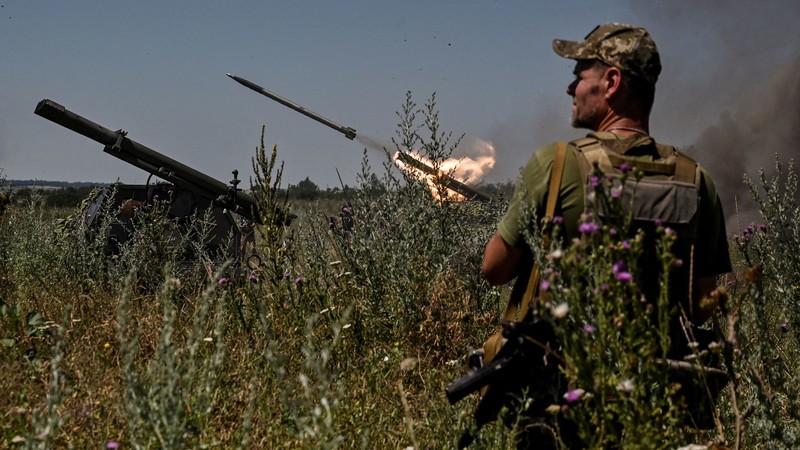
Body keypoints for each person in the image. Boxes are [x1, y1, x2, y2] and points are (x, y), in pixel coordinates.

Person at [479, 23, 732, 448]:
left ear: (611, 82)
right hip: (655, 400)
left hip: (563, 397)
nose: (570, 88)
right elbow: (703, 304)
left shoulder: (557, 166)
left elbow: (493, 269)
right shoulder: (696, 180)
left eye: (580, 75)